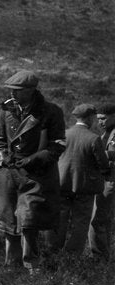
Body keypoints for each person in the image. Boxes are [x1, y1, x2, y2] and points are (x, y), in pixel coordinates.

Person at [0, 71, 66, 272]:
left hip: (37, 175)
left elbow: (57, 145)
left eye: (18, 91)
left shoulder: (51, 112)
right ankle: (11, 265)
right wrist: (2, 157)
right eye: (11, 90)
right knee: (9, 219)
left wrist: (32, 160)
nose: (13, 95)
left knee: (29, 219)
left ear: (32, 91)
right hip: (9, 174)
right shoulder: (6, 111)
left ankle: (31, 265)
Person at [54, 104, 110, 257]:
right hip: (84, 187)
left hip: (62, 183)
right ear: (91, 118)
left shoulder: (64, 134)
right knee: (81, 222)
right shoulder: (93, 138)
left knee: (60, 219)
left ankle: (54, 251)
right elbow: (103, 164)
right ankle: (72, 255)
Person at [88, 102, 115, 260]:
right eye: (98, 119)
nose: (100, 122)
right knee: (103, 219)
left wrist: (94, 153)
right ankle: (104, 256)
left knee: (97, 220)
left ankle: (98, 258)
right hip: (105, 178)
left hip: (110, 180)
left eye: (104, 118)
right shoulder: (107, 133)